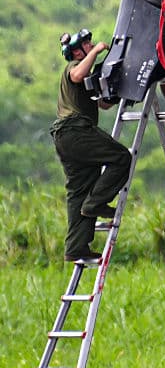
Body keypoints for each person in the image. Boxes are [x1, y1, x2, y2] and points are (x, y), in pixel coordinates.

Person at [51, 28, 131, 262]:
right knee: (122, 157)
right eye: (87, 44)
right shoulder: (73, 68)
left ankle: (76, 247)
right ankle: (97, 203)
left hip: (67, 137)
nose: (92, 44)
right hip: (74, 130)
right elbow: (76, 75)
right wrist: (96, 52)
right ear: (77, 51)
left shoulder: (85, 74)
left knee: (79, 190)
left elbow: (103, 105)